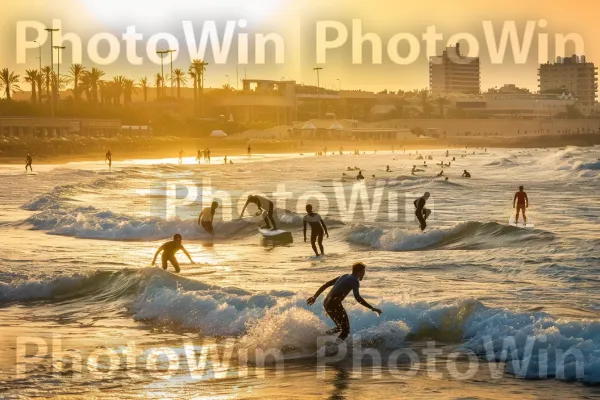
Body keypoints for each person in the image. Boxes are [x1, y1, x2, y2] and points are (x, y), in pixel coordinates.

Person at [306, 262, 382, 342]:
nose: (364, 273)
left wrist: (315, 296)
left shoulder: (344, 276)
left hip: (326, 303)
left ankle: (322, 336)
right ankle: (333, 348)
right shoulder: (355, 281)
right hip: (334, 304)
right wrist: (372, 308)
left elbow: (326, 284)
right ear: (360, 271)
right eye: (364, 271)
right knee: (346, 331)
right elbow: (358, 298)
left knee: (340, 327)